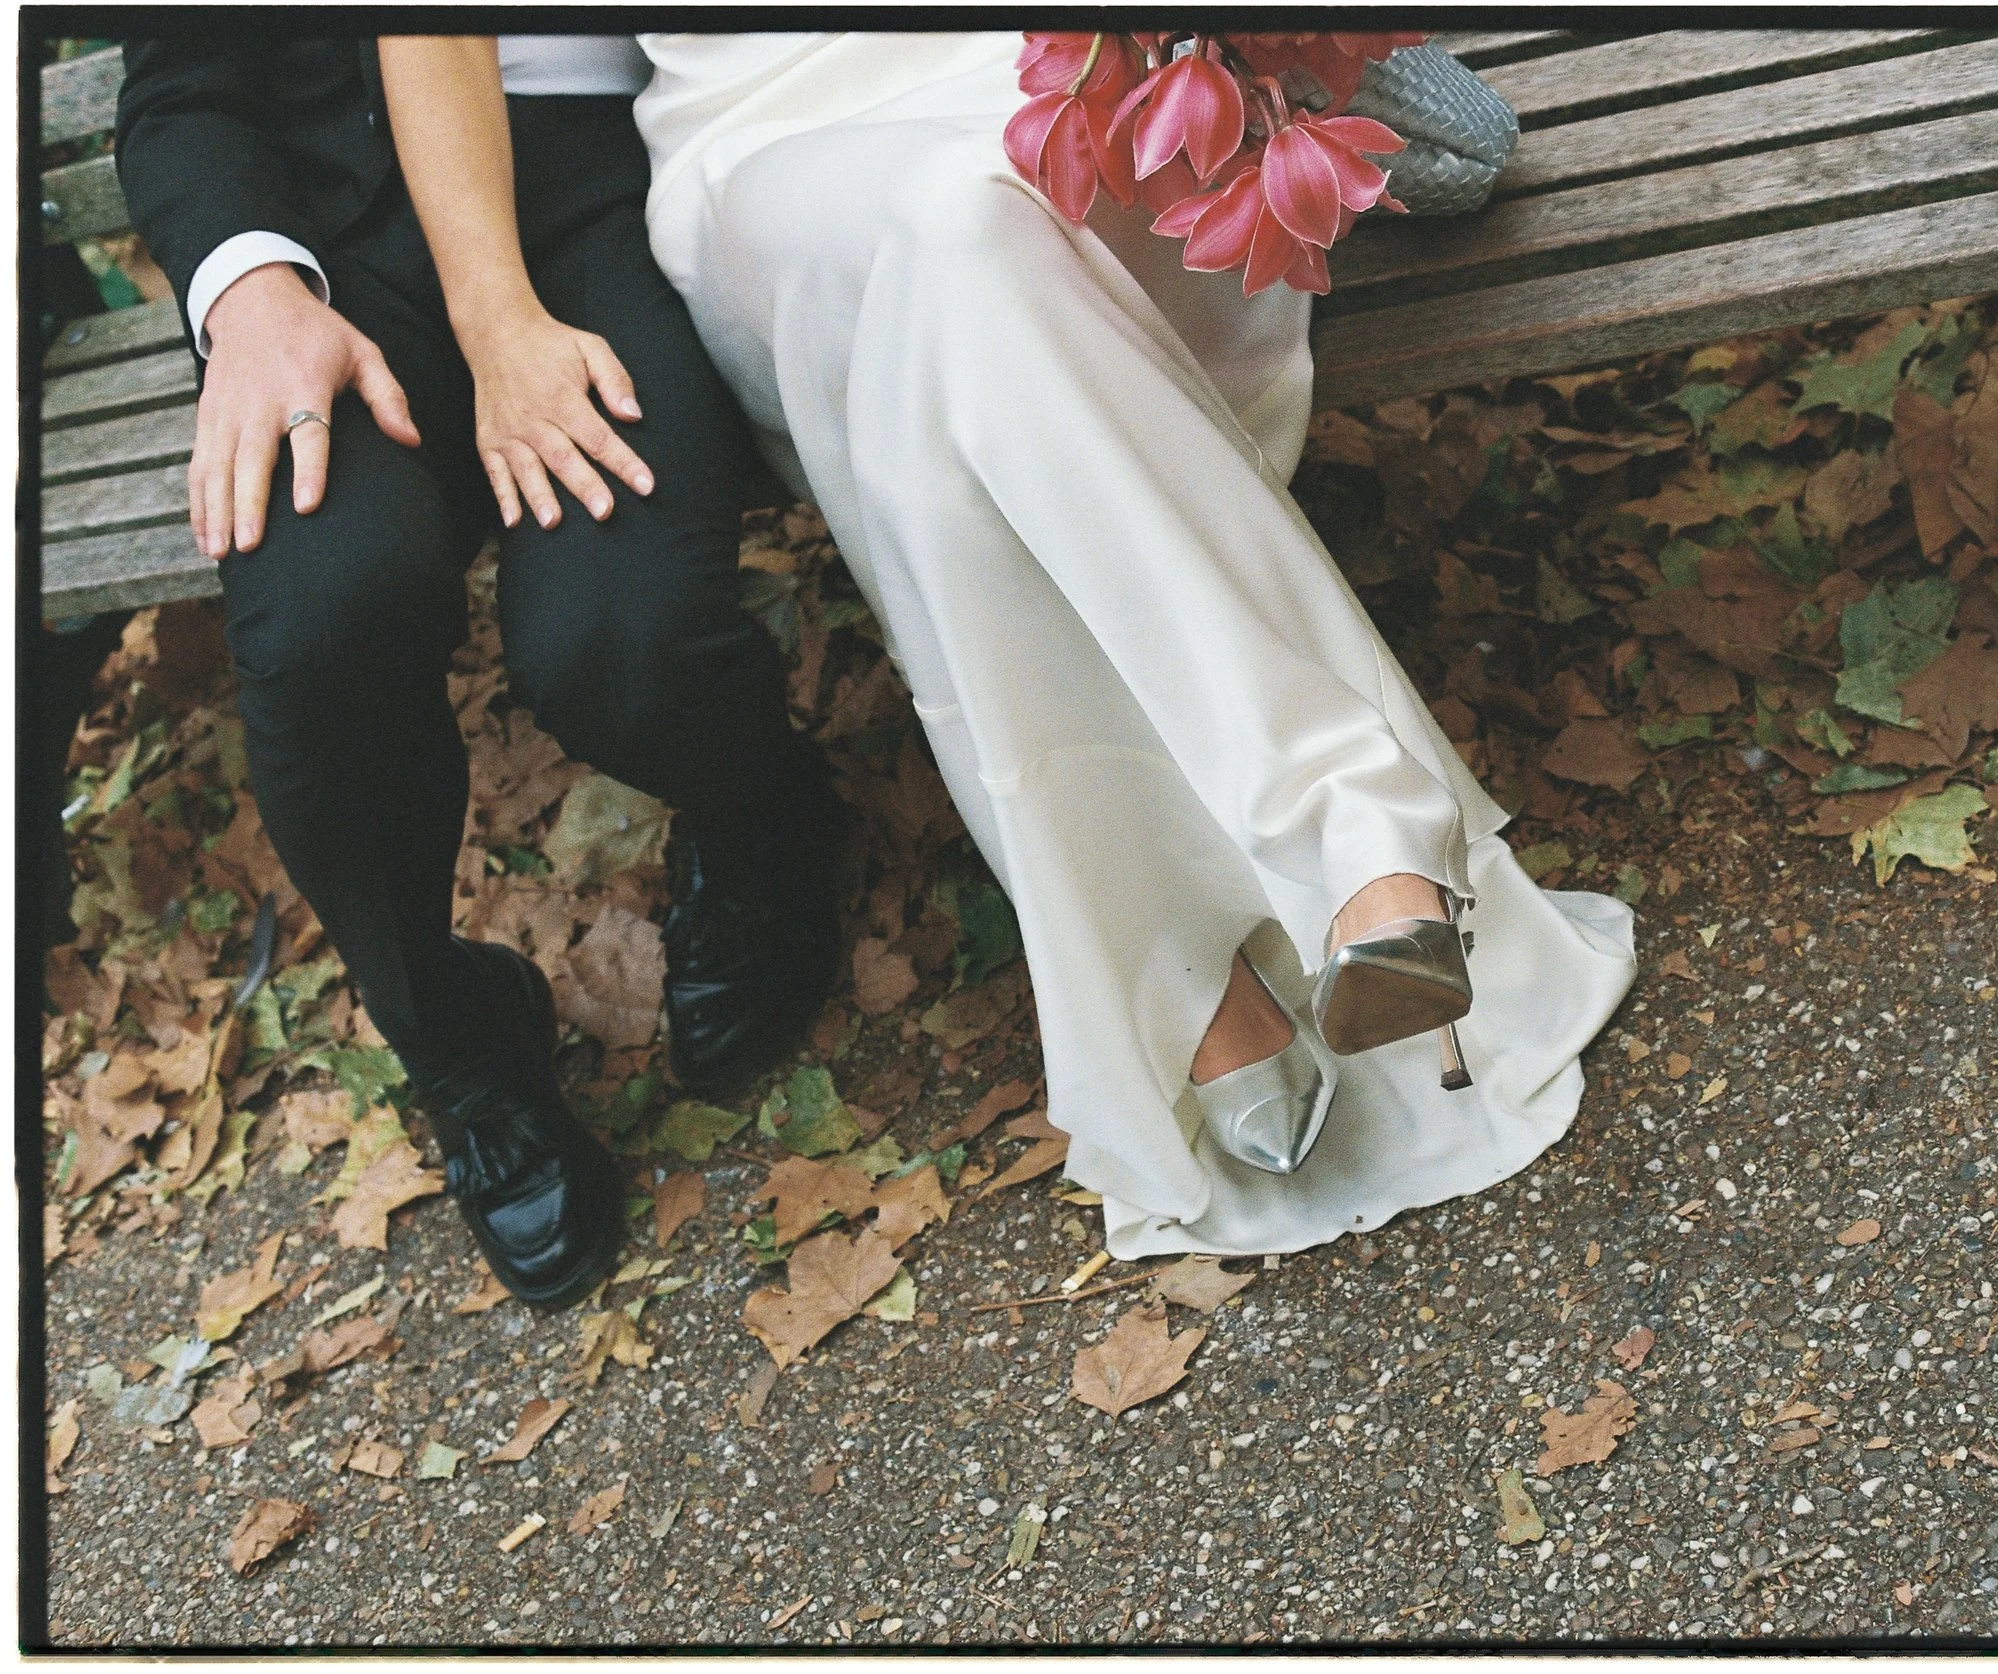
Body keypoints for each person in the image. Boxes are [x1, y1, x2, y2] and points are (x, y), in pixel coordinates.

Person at [383, 31, 1635, 1260]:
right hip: (763, 144)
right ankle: (1351, 829)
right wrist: (497, 327)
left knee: (959, 301)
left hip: (1059, 85)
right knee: (947, 231)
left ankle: (1179, 976)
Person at [113, 33, 862, 1308]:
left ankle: (767, 813)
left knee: (618, 642)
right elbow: (184, 78)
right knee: (319, 616)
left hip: (584, 193)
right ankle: (453, 1039)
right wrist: (251, 291)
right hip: (320, 247)